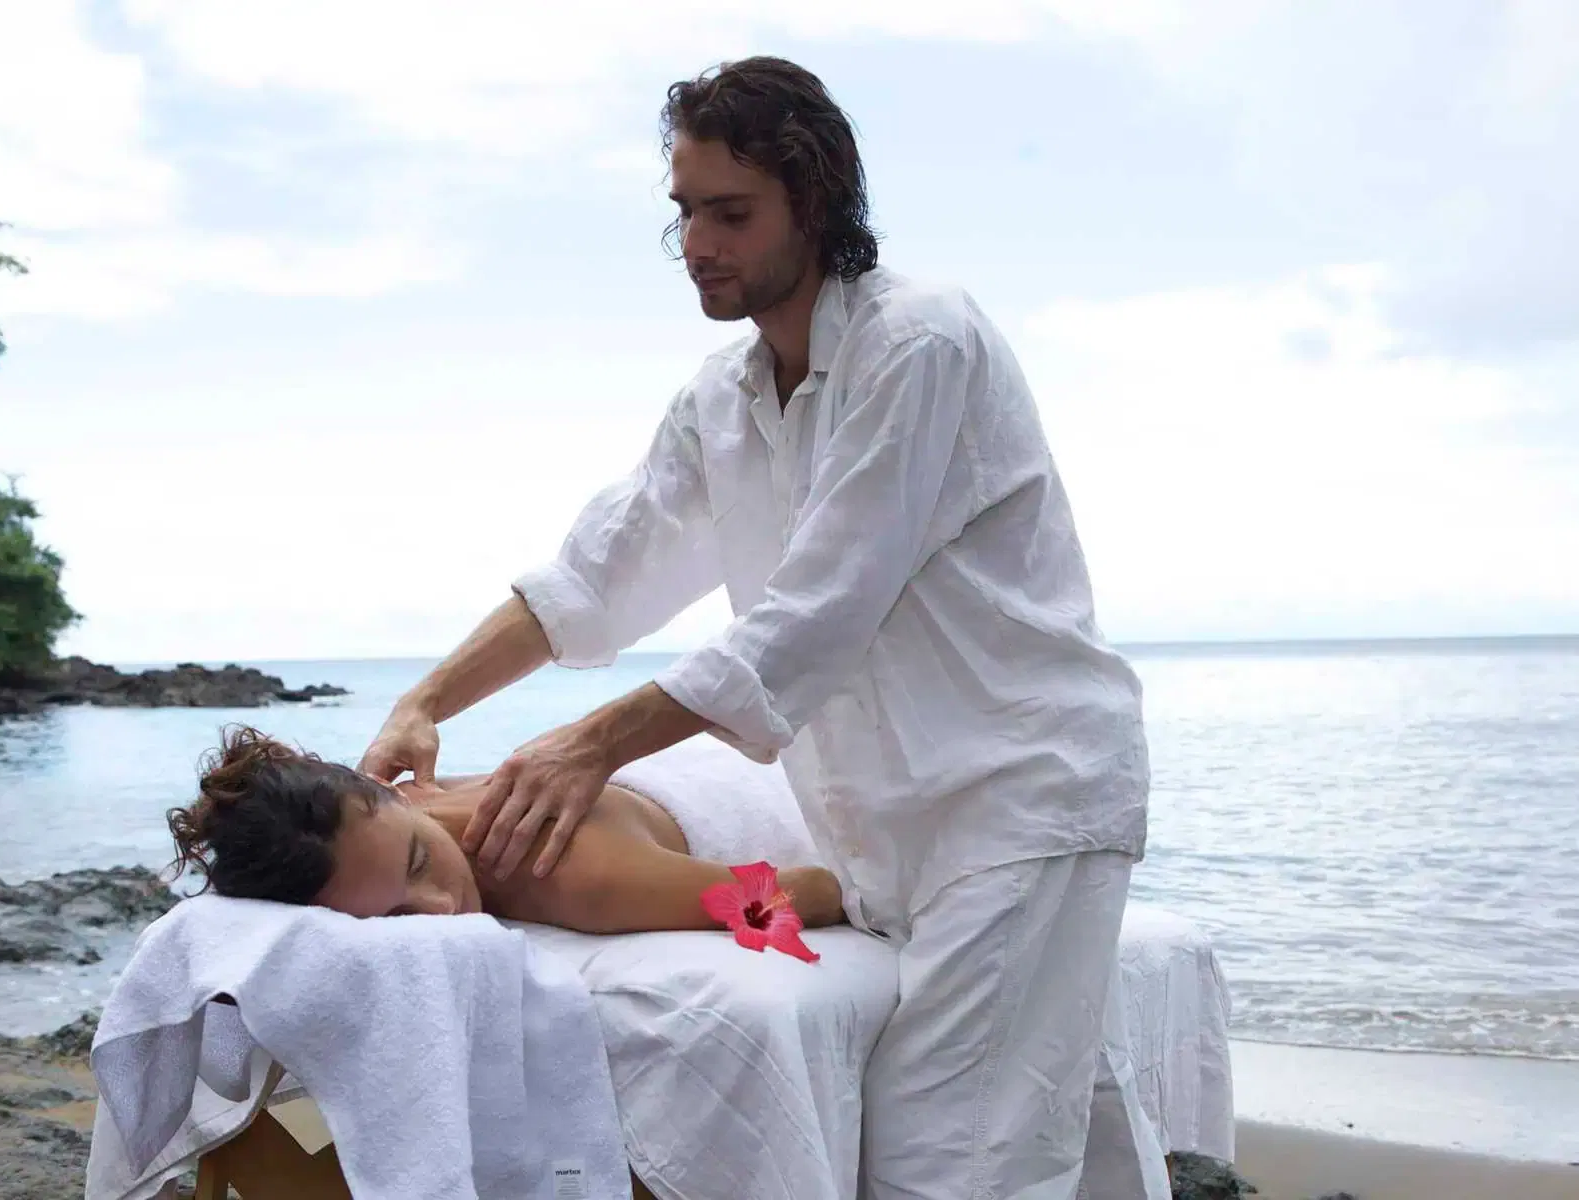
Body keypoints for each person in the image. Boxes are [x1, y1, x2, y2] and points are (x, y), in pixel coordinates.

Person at [357, 55, 1170, 1200]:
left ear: (817, 201)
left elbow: (816, 615)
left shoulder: (920, 344)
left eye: (731, 214)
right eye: (684, 212)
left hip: (1017, 804)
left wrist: (590, 746)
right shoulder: (719, 402)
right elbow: (592, 578)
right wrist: (425, 702)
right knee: (988, 1155)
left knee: (950, 1173)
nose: (697, 244)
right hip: (884, 835)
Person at [167, 724, 845, 937]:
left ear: (389, 788)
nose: (442, 907)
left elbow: (808, 894)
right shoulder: (405, 809)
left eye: (418, 863)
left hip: (796, 782)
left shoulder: (579, 877)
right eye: (395, 917)